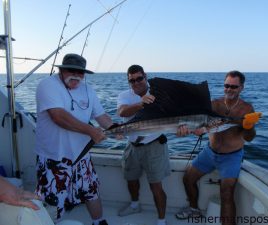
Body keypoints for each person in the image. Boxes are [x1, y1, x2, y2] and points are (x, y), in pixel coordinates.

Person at [35, 53, 114, 225]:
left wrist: (118, 130)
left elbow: (101, 116)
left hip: (82, 156)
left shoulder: (88, 90)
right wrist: (92, 131)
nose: (77, 76)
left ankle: (99, 222)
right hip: (54, 158)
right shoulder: (47, 85)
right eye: (72, 71)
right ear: (61, 70)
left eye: (81, 72)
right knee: (52, 201)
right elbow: (58, 117)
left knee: (92, 191)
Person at [175, 71, 261, 225]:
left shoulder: (246, 109)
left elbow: (249, 138)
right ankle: (194, 210)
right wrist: (191, 130)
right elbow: (199, 127)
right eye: (226, 85)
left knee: (226, 192)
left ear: (241, 87)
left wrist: (248, 127)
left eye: (234, 86)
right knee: (188, 178)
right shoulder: (214, 104)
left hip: (231, 156)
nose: (229, 89)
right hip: (209, 152)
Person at [117, 65, 170, 225]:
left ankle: (162, 221)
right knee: (131, 179)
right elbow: (122, 112)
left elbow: (170, 116)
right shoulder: (124, 95)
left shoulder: (158, 94)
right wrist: (141, 103)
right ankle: (134, 206)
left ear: (145, 76)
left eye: (139, 78)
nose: (136, 83)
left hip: (154, 146)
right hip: (132, 146)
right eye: (132, 80)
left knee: (156, 186)